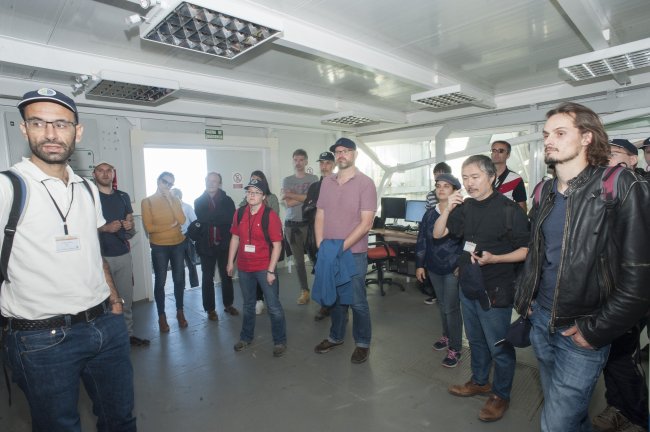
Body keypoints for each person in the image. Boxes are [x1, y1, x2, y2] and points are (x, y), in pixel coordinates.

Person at [1, 88, 135, 430]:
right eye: (38, 123)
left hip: (105, 324)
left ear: (78, 131)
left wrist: (114, 301)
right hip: (41, 338)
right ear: (24, 129)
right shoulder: (7, 188)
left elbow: (92, 249)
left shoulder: (87, 188)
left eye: (61, 124)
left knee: (120, 418)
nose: (50, 133)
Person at [514, 102, 650, 432]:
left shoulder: (620, 184)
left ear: (587, 137)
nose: (549, 140)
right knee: (569, 414)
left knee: (555, 424)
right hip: (541, 320)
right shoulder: (544, 191)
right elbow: (537, 253)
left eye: (560, 133)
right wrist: (527, 301)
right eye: (546, 134)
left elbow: (640, 276)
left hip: (584, 328)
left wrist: (596, 330)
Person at [433, 154, 529, 422]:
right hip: (469, 284)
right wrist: (448, 208)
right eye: (465, 178)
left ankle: (501, 395)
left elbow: (526, 250)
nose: (469, 183)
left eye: (475, 177)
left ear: (491, 177)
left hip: (496, 289)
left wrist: (496, 259)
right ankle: (479, 381)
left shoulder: (510, 211)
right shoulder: (465, 208)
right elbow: (438, 234)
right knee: (475, 340)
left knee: (498, 345)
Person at [588, 138, 649, 432]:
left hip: (632, 287)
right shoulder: (604, 189)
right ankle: (617, 406)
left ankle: (636, 416)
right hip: (607, 284)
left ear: (632, 160)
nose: (607, 158)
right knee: (610, 355)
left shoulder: (638, 188)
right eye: (605, 154)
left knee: (624, 355)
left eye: (613, 154)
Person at [313, 137, 377, 364]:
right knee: (335, 299)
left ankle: (363, 343)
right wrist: (321, 245)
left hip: (354, 253)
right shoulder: (327, 182)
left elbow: (366, 224)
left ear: (355, 154)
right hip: (329, 250)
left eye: (346, 151)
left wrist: (339, 248)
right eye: (338, 152)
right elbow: (320, 214)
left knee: (357, 301)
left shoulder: (365, 183)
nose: (341, 155)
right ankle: (336, 337)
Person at [227, 178, 287, 357]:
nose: (251, 195)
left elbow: (277, 245)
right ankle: (246, 337)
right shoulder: (239, 213)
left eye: (256, 192)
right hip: (244, 268)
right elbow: (235, 238)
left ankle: (280, 341)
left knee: (273, 306)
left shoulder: (270, 216)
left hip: (263, 267)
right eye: (249, 192)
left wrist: (271, 270)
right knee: (248, 305)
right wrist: (230, 262)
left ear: (264, 196)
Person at [93, 161, 150, 347]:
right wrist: (105, 228)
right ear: (94, 174)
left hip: (123, 254)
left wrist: (129, 225)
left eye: (108, 170)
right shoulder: (89, 197)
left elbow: (130, 226)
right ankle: (107, 340)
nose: (105, 173)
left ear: (113, 174)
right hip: (99, 257)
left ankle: (128, 335)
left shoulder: (123, 196)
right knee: (103, 301)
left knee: (125, 297)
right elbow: (81, 226)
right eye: (100, 170)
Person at [415, 173, 463, 368]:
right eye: (438, 186)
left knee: (451, 308)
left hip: (453, 268)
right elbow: (422, 240)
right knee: (442, 305)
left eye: (446, 186)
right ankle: (446, 336)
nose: (441, 189)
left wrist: (462, 264)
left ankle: (455, 347)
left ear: (455, 191)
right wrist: (420, 264)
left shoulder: (460, 212)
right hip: (434, 267)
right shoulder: (429, 214)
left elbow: (467, 241)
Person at [141, 171, 188, 333]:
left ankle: (180, 312)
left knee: (179, 280)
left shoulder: (174, 200)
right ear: (158, 181)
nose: (167, 186)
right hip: (159, 246)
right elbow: (149, 228)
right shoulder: (147, 202)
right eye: (165, 182)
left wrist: (170, 200)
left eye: (170, 184)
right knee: (160, 282)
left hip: (178, 244)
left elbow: (182, 220)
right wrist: (170, 226)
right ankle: (161, 316)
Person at [192, 172, 238, 321]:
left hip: (224, 244)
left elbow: (229, 219)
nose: (211, 183)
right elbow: (203, 218)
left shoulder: (228, 200)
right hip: (206, 245)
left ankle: (228, 304)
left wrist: (211, 218)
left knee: (226, 276)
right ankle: (210, 309)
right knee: (207, 278)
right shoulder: (198, 201)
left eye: (215, 181)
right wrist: (218, 217)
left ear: (219, 184)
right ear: (205, 181)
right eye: (209, 180)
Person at [239, 170, 280, 315]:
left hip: (267, 245)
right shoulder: (247, 199)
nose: (252, 193)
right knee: (252, 279)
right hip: (250, 249)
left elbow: (274, 216)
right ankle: (259, 300)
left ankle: (272, 300)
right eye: (252, 180)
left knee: (270, 278)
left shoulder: (272, 198)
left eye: (258, 180)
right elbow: (241, 211)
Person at [281, 149, 318, 305]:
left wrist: (292, 194)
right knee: (299, 262)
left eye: (301, 160)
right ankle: (305, 291)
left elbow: (314, 199)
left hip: (309, 225)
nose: (298, 163)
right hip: (292, 226)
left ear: (306, 161)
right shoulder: (287, 180)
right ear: (293, 161)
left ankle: (322, 289)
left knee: (315, 259)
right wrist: (307, 197)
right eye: (296, 160)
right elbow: (288, 203)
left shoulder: (313, 179)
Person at [302, 151, 336, 321]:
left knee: (335, 272)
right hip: (315, 236)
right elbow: (305, 210)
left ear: (334, 165)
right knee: (320, 272)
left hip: (335, 235)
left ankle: (340, 308)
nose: (324, 166)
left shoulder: (340, 185)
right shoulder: (314, 187)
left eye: (328, 163)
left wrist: (316, 207)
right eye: (321, 163)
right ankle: (325, 305)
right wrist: (318, 208)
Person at [423, 161, 452, 305]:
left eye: (442, 175)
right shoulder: (430, 195)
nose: (438, 178)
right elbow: (428, 216)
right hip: (433, 235)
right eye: (436, 175)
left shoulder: (455, 198)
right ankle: (436, 295)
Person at [171, 187, 199, 288]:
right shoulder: (170, 209)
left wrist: (192, 236)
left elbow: (195, 222)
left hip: (187, 238)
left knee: (191, 264)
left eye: (171, 195)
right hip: (175, 238)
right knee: (179, 265)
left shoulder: (187, 207)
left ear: (178, 196)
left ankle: (195, 286)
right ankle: (181, 288)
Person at [490, 140, 528, 212]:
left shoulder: (516, 179)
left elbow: (522, 209)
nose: (496, 153)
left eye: (501, 151)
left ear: (508, 155)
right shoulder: (483, 176)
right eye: (494, 150)